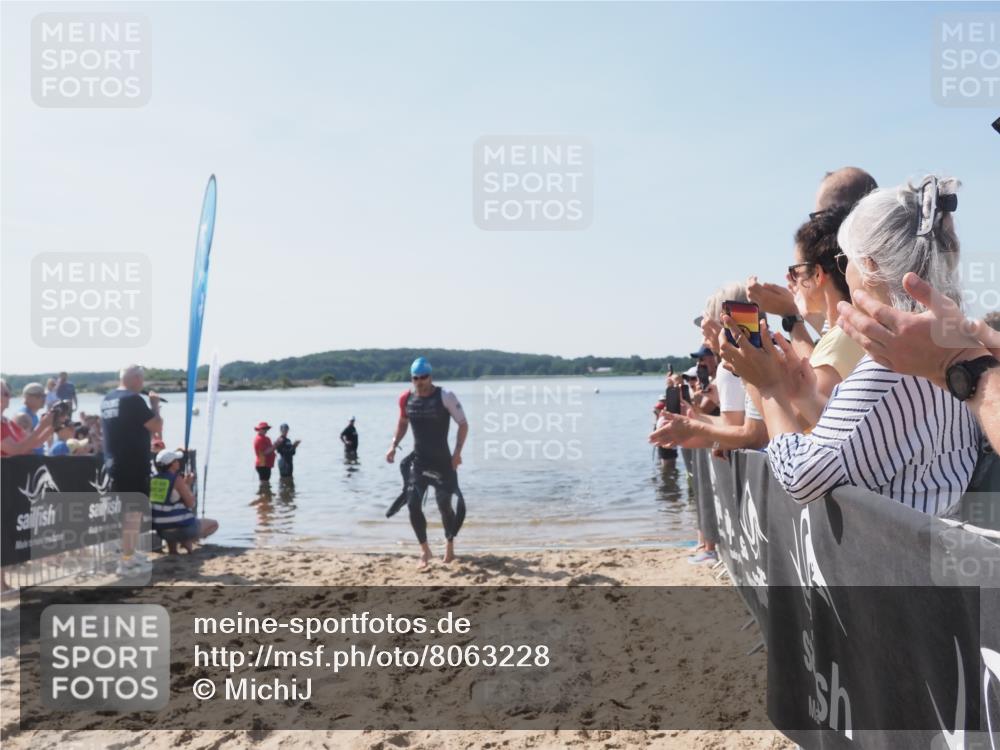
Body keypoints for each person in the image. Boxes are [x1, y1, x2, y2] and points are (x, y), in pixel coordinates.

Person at [720, 176, 981, 516]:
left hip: (898, 547)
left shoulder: (892, 360)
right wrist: (804, 397)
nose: (844, 272)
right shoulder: (950, 342)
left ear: (869, 265)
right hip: (939, 536)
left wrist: (769, 389)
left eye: (846, 260)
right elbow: (871, 437)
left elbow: (802, 476)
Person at [837, 272, 1000, 451]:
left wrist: (961, 360)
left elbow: (821, 462)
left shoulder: (880, 371)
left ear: (870, 264)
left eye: (843, 260)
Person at [386, 357, 469, 567]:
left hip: (443, 462)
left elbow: (463, 424)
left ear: (430, 377)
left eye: (424, 377)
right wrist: (393, 445)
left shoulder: (445, 396)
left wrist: (457, 453)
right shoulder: (406, 398)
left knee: (444, 506)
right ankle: (425, 551)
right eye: (416, 378)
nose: (420, 381)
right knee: (413, 504)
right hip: (420, 462)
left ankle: (449, 547)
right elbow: (402, 423)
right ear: (412, 379)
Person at [101, 365, 163, 575]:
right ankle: (126, 561)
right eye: (142, 379)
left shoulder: (108, 398)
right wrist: (155, 405)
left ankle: (129, 553)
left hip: (115, 462)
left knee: (129, 513)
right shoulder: (133, 399)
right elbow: (156, 426)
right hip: (132, 463)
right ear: (136, 378)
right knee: (132, 514)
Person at [150, 449, 219, 554]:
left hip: (161, 530)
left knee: (168, 517)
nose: (178, 463)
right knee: (214, 524)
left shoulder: (153, 479)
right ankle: (187, 541)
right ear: (171, 464)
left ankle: (173, 550)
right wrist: (187, 484)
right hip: (181, 528)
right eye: (176, 461)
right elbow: (190, 503)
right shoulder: (176, 480)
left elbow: (168, 499)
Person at [18, 383, 47, 455]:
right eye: (39, 396)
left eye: (44, 396)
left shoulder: (33, 415)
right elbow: (25, 445)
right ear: (28, 397)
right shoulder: (23, 416)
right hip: (29, 459)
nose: (43, 399)